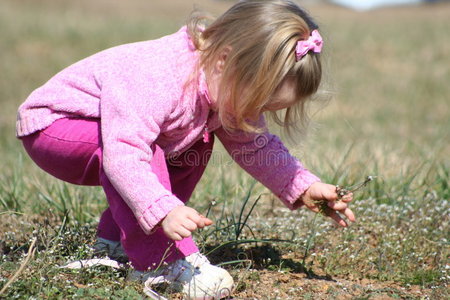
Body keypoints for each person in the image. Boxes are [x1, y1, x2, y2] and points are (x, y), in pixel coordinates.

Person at [16, 0, 355, 298]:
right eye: (256, 102)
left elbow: (255, 146)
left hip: (112, 138)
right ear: (225, 60)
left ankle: (116, 244)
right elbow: (125, 152)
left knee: (198, 143)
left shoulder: (226, 83)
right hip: (55, 128)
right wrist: (163, 210)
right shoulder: (159, 77)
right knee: (148, 153)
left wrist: (303, 185)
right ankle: (163, 261)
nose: (254, 114)